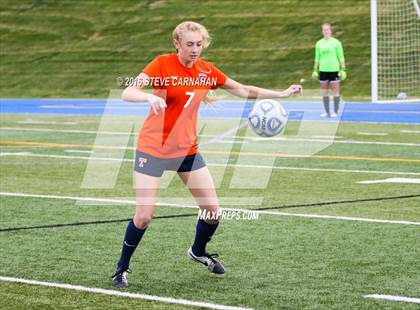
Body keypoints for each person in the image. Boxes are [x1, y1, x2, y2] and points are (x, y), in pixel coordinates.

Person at [112, 21, 302, 288]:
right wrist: (148, 98)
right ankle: (121, 268)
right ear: (177, 44)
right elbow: (128, 90)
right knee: (144, 215)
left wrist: (281, 94)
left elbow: (243, 90)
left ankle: (198, 251)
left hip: (186, 150)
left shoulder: (206, 71)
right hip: (153, 149)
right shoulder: (162, 64)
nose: (195, 49)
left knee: (213, 211)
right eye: (189, 44)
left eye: (199, 44)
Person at [312, 23, 346, 117]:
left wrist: (343, 69)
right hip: (323, 70)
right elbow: (317, 58)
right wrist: (315, 70)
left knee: (336, 92)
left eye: (328, 29)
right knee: (324, 92)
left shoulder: (336, 43)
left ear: (331, 31)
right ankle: (326, 112)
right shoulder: (319, 43)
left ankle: (335, 111)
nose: (326, 31)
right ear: (322, 32)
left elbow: (341, 57)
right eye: (324, 30)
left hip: (334, 70)